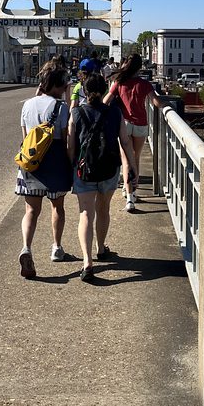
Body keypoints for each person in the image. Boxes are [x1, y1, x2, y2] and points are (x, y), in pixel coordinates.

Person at [68, 72, 136, 281]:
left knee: (86, 214)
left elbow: (71, 146)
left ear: (84, 91)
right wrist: (133, 168)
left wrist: (71, 167)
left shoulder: (76, 113)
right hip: (109, 168)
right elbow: (125, 142)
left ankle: (87, 262)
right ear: (106, 89)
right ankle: (100, 248)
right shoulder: (115, 112)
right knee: (103, 209)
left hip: (84, 170)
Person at [16, 67, 71, 278]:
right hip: (55, 162)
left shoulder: (28, 104)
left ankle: (26, 247)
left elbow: (25, 137)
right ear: (57, 85)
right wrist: (70, 163)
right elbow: (65, 140)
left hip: (31, 162)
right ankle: (56, 247)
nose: (65, 88)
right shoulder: (61, 107)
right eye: (63, 84)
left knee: (31, 210)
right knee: (57, 207)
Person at [104, 53, 158, 212]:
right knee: (136, 158)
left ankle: (129, 199)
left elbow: (106, 101)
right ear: (140, 67)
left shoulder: (119, 82)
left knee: (126, 160)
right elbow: (156, 102)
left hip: (124, 125)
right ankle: (133, 193)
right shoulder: (144, 84)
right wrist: (168, 107)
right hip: (141, 124)